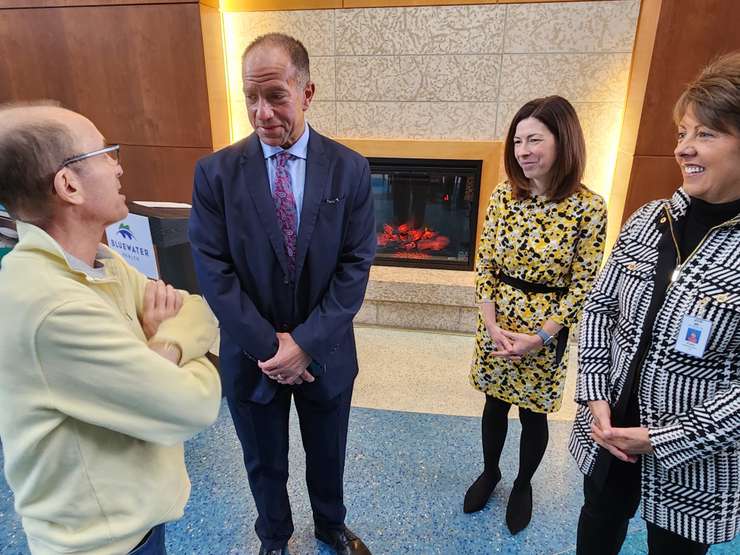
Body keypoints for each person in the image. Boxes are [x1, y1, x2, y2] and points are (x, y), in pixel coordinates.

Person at [0, 103, 222, 554]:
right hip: (100, 545)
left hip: (137, 524)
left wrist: (160, 351)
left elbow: (197, 309)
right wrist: (159, 343)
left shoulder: (104, 261)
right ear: (69, 184)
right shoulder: (49, 306)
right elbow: (191, 406)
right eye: (104, 153)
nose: (118, 166)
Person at [188, 33, 375, 555]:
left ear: (307, 92)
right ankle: (274, 536)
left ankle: (330, 526)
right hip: (253, 357)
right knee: (262, 457)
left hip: (328, 352)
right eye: (250, 97)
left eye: (275, 96)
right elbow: (214, 271)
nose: (261, 112)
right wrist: (272, 349)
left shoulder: (350, 169)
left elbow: (354, 267)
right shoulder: (215, 174)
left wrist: (307, 343)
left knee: (328, 449)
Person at [570, 51, 740, 554]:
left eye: (705, 134)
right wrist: (595, 396)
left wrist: (661, 439)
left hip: (696, 458)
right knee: (596, 529)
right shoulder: (648, 219)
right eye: (681, 134)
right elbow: (601, 307)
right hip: (608, 432)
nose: (685, 148)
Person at [465, 96, 607, 534]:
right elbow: (485, 262)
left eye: (535, 140)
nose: (523, 150)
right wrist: (491, 324)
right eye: (518, 140)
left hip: (545, 330)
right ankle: (491, 472)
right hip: (498, 317)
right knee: (493, 402)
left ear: (563, 142)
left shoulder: (589, 208)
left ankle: (523, 483)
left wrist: (541, 337)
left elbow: (583, 284)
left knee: (532, 414)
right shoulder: (503, 196)